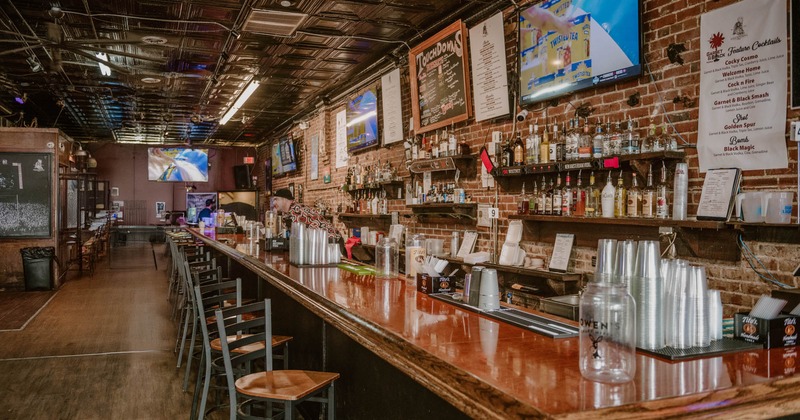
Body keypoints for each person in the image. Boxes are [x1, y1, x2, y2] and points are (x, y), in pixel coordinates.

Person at [272, 188, 340, 240]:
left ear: (284, 199)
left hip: (331, 240)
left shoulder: (297, 211)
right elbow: (286, 234)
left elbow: (296, 237)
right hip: (320, 241)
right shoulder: (287, 213)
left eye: (276, 199)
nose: (274, 203)